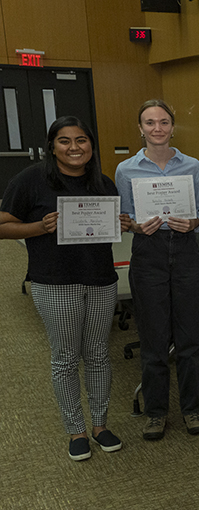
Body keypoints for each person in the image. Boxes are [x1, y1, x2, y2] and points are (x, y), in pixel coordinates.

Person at [0, 116, 126, 461]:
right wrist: (40, 227)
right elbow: (3, 226)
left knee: (99, 354)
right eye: (65, 141)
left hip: (100, 278)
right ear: (52, 146)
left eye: (81, 140)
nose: (74, 148)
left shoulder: (103, 183)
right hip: (55, 281)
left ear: (91, 145)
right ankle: (76, 430)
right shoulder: (31, 180)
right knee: (67, 357)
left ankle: (100, 425)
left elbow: (108, 229)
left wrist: (122, 224)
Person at [115, 99, 199, 440]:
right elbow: (125, 218)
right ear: (140, 128)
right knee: (153, 340)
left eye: (164, 122)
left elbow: (198, 215)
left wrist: (194, 222)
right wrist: (135, 227)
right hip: (149, 252)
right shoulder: (126, 170)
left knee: (188, 338)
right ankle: (156, 412)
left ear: (172, 126)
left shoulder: (192, 166)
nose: (158, 128)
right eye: (150, 122)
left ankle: (193, 408)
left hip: (184, 251)